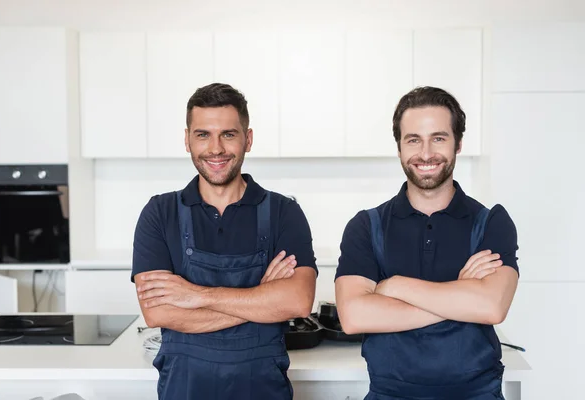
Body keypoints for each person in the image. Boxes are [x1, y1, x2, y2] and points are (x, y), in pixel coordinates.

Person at [131, 83, 318, 400]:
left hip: (263, 390)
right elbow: (158, 314)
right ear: (187, 140)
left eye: (228, 134)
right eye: (203, 134)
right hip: (183, 390)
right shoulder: (159, 213)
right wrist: (261, 300)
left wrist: (193, 294)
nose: (215, 148)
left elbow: (298, 302)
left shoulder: (284, 212)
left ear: (248, 139)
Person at [335, 86, 519, 400]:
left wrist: (394, 285)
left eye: (438, 138)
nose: (425, 153)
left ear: (458, 143)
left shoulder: (491, 222)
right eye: (413, 140)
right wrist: (459, 295)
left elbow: (491, 307)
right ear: (399, 147)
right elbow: (354, 317)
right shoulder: (366, 226)